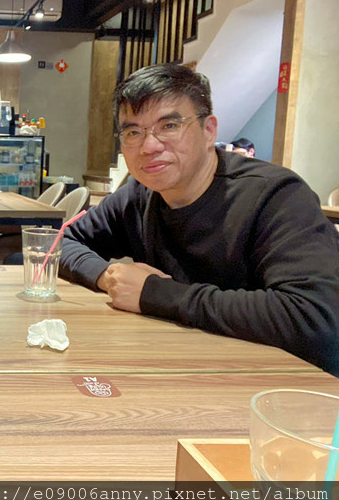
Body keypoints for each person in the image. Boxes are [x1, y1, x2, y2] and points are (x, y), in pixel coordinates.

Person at [59, 63, 339, 375]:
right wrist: (107, 277)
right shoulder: (139, 195)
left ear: (209, 131)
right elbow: (59, 243)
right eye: (133, 132)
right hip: (182, 369)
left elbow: (314, 318)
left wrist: (154, 294)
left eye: (169, 126)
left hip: (281, 383)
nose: (149, 146)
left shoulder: (276, 196)